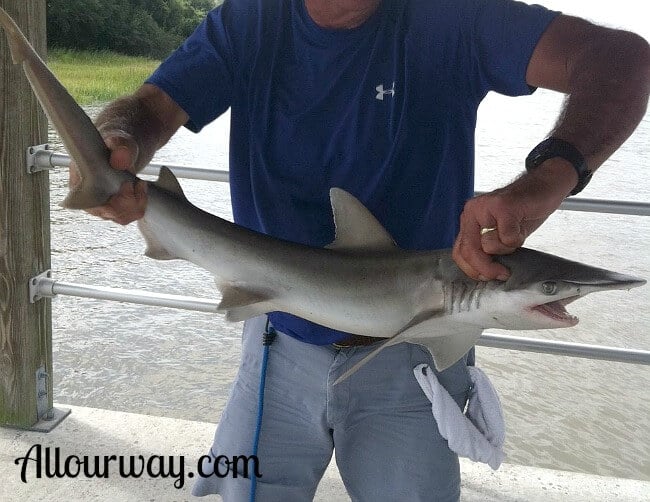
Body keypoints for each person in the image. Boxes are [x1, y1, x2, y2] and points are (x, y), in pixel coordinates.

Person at [72, 0, 649, 500]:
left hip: (413, 362)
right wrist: (119, 143)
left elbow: (623, 60)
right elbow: (148, 109)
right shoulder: (250, 21)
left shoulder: (454, 20)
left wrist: (549, 179)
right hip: (276, 338)